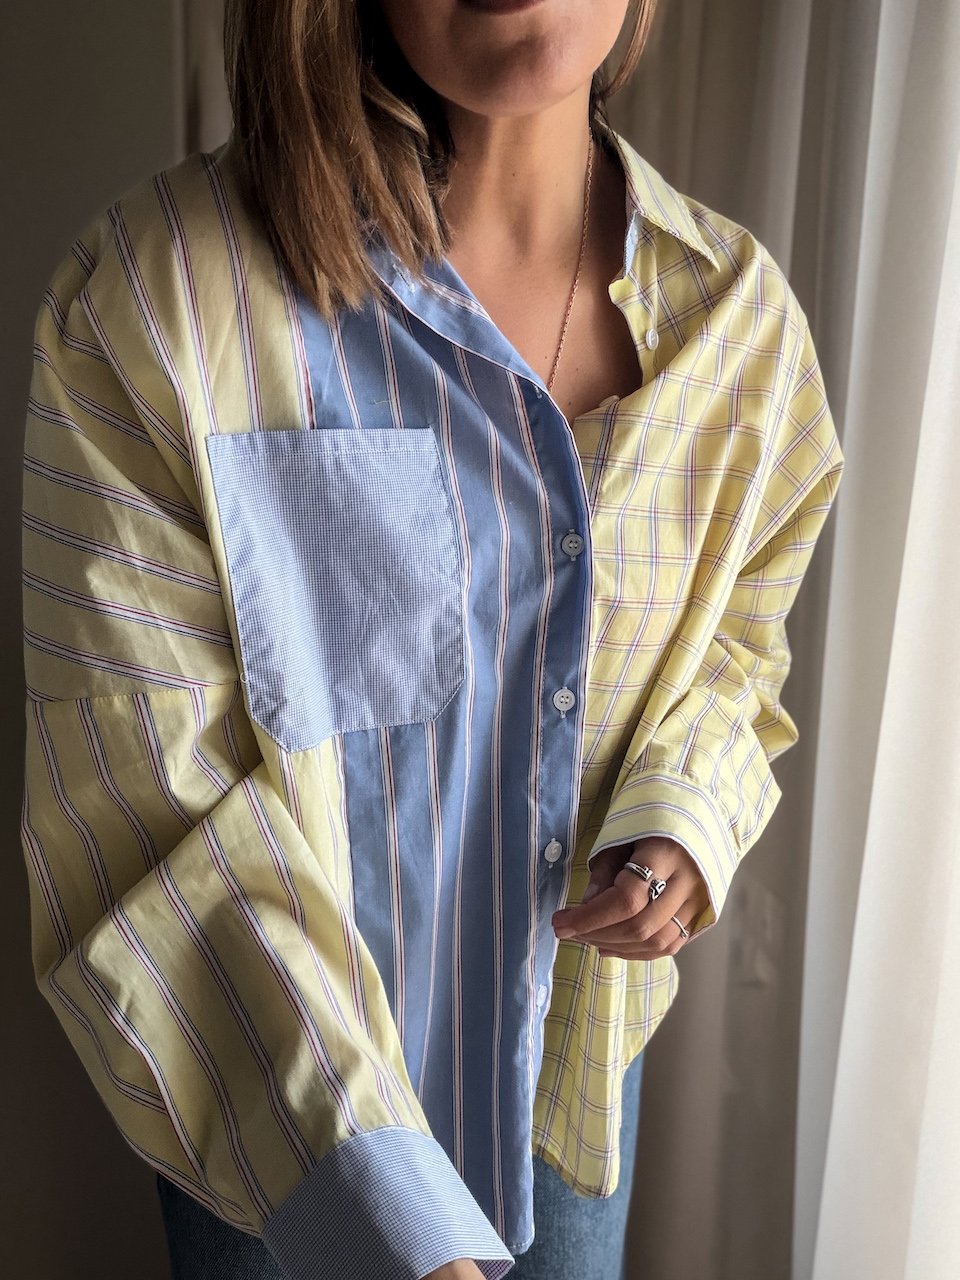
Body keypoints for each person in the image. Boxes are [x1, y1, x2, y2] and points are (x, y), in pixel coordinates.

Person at [18, 1, 844, 1278]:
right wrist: (395, 1220)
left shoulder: (739, 330)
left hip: (568, 1100)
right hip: (277, 1139)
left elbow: (737, 640)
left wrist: (685, 813)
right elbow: (145, 800)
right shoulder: (158, 299)